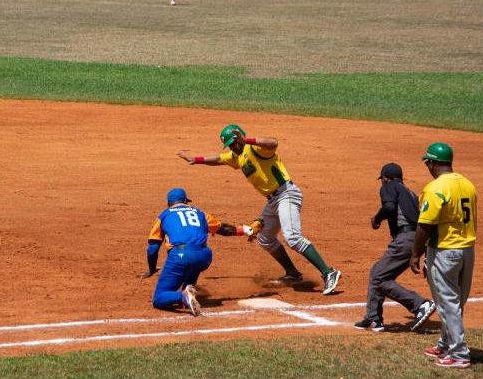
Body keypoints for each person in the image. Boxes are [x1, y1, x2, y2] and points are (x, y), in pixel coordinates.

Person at [177, 124, 342, 295]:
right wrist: (195, 160)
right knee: (265, 238)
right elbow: (219, 159)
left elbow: (273, 143)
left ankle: (329, 272)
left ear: (241, 137)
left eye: (235, 142)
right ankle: (293, 274)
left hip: (286, 193)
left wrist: (247, 140)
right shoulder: (236, 156)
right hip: (272, 200)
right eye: (230, 145)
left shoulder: (255, 148)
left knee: (292, 237)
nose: (234, 146)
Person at [410, 142, 477, 369]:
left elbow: (425, 225)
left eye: (427, 162)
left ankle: (459, 354)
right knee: (455, 302)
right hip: (467, 250)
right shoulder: (468, 184)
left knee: (447, 303)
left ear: (432, 163)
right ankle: (445, 343)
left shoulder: (435, 188)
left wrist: (414, 254)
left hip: (445, 252)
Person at [140, 187, 256, 316]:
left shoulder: (164, 215)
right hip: (204, 256)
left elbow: (153, 248)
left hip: (181, 256)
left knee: (159, 298)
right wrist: (246, 230)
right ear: (185, 201)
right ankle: (188, 292)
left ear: (169, 204)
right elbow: (223, 229)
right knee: (192, 268)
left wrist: (151, 269)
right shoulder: (200, 213)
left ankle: (183, 296)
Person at [354, 162, 436, 332]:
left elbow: (389, 206)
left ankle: (420, 304)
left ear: (385, 178)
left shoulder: (389, 186)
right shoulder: (411, 194)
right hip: (418, 239)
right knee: (378, 271)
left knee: (379, 277)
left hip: (405, 239)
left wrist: (376, 219)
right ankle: (373, 319)